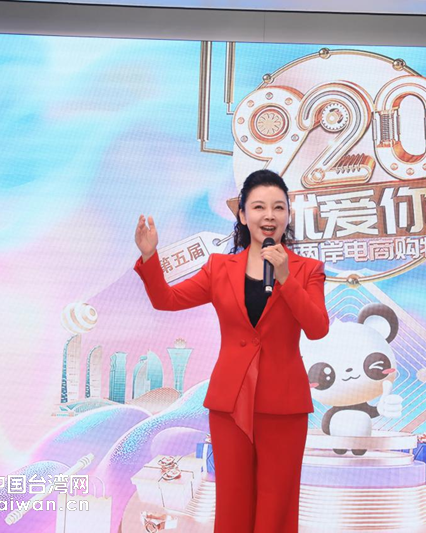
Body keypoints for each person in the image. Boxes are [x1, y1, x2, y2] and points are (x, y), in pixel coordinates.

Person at [134, 169, 329, 533]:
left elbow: (317, 328)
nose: (269, 215)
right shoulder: (219, 268)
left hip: (284, 406)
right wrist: (149, 257)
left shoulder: (308, 270)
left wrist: (285, 278)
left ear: (288, 215)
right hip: (230, 403)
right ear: (242, 214)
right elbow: (166, 300)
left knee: (277, 502)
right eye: (259, 207)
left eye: (278, 207)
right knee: (233, 500)